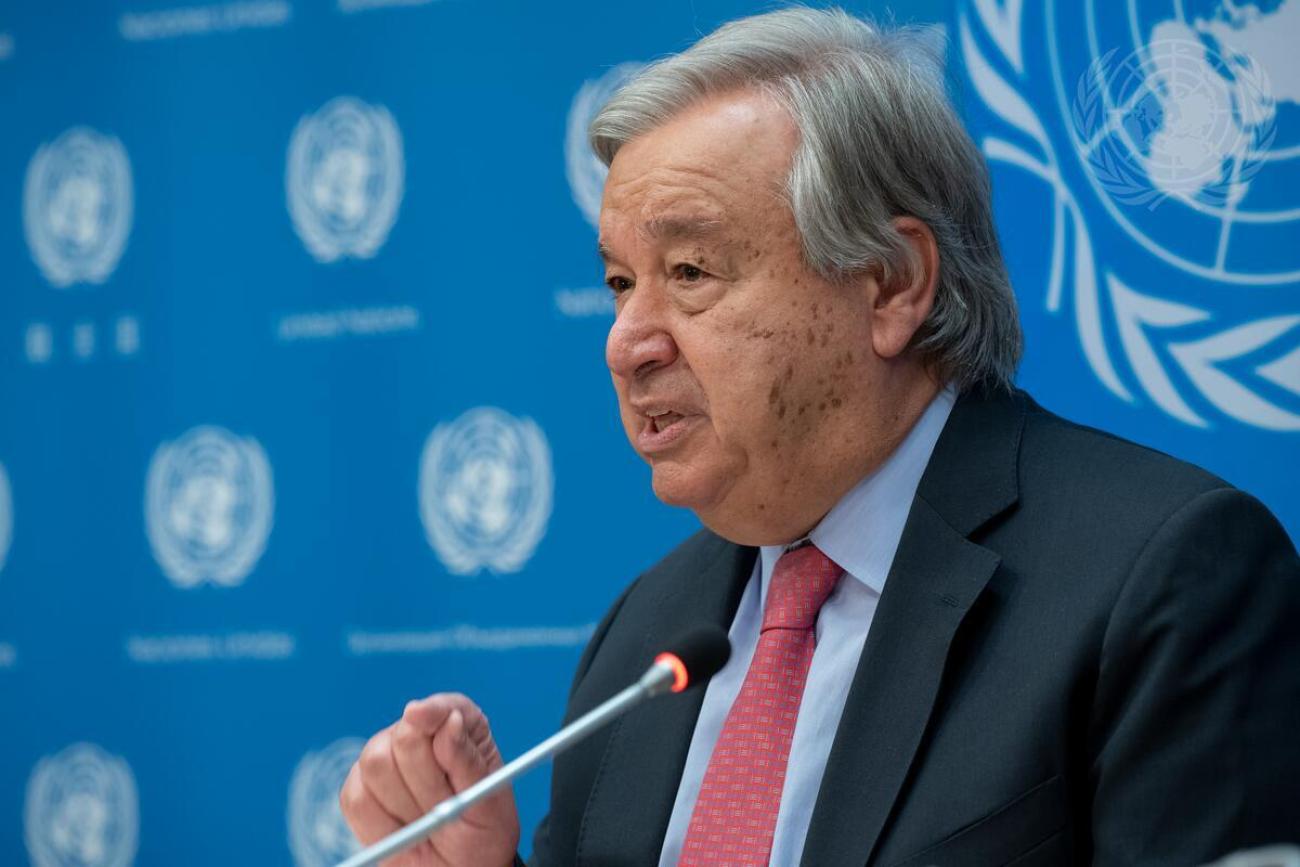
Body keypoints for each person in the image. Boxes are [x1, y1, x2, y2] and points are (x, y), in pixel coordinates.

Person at [339, 8, 1300, 865]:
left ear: (888, 283)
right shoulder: (647, 631)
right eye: (622, 284)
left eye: (691, 269)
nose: (626, 343)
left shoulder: (1161, 578)